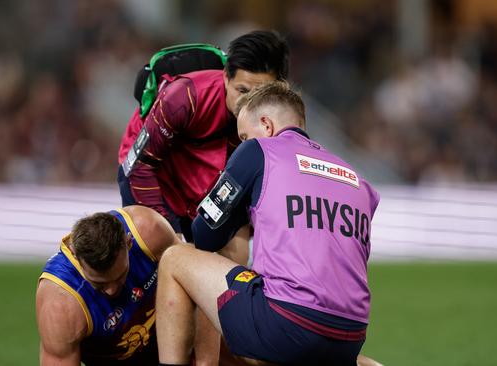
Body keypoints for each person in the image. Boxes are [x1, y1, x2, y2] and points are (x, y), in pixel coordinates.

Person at [155, 82, 381, 365]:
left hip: (286, 324)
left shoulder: (259, 151)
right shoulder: (356, 178)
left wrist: (240, 209)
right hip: (350, 337)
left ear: (266, 125)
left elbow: (205, 235)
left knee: (176, 259)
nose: (242, 143)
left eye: (244, 135)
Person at [117, 30, 290, 242]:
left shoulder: (281, 119)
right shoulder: (183, 96)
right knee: (159, 252)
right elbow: (141, 166)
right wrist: (171, 235)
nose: (249, 104)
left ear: (278, 90)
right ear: (226, 77)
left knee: (232, 249)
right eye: (242, 91)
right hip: (150, 173)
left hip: (204, 187)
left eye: (260, 94)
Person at [36, 205, 180, 365]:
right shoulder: (60, 303)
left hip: (179, 348)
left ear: (129, 242)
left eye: (120, 277)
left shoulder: (149, 231)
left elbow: (193, 287)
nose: (111, 291)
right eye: (99, 284)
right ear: (77, 258)